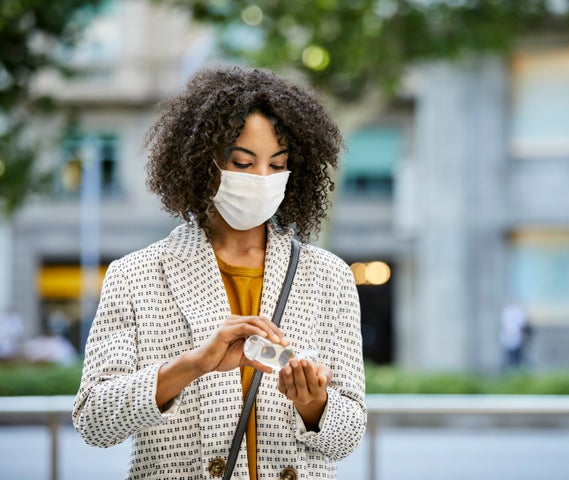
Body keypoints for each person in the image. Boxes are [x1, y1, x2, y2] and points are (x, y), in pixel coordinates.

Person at [73, 66, 366, 480]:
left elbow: (349, 434)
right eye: (242, 163)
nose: (262, 179)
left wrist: (314, 404)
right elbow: (93, 422)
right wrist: (191, 365)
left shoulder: (329, 277)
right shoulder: (136, 274)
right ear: (199, 161)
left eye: (277, 164)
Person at [498, 303, 532, 370]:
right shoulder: (512, 312)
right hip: (512, 338)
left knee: (515, 358)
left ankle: (515, 372)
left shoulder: (509, 312)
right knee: (512, 358)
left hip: (515, 338)